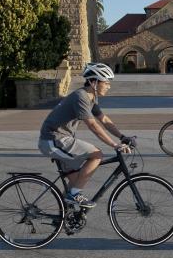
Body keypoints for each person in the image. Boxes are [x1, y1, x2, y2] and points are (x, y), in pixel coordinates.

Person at [38, 62, 135, 208]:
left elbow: (103, 119)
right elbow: (93, 125)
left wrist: (122, 137)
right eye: (106, 82)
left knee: (76, 179)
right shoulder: (81, 97)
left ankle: (65, 217)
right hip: (54, 139)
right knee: (96, 155)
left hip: (60, 139)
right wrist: (115, 145)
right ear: (94, 82)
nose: (109, 86)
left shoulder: (91, 97)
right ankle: (74, 195)